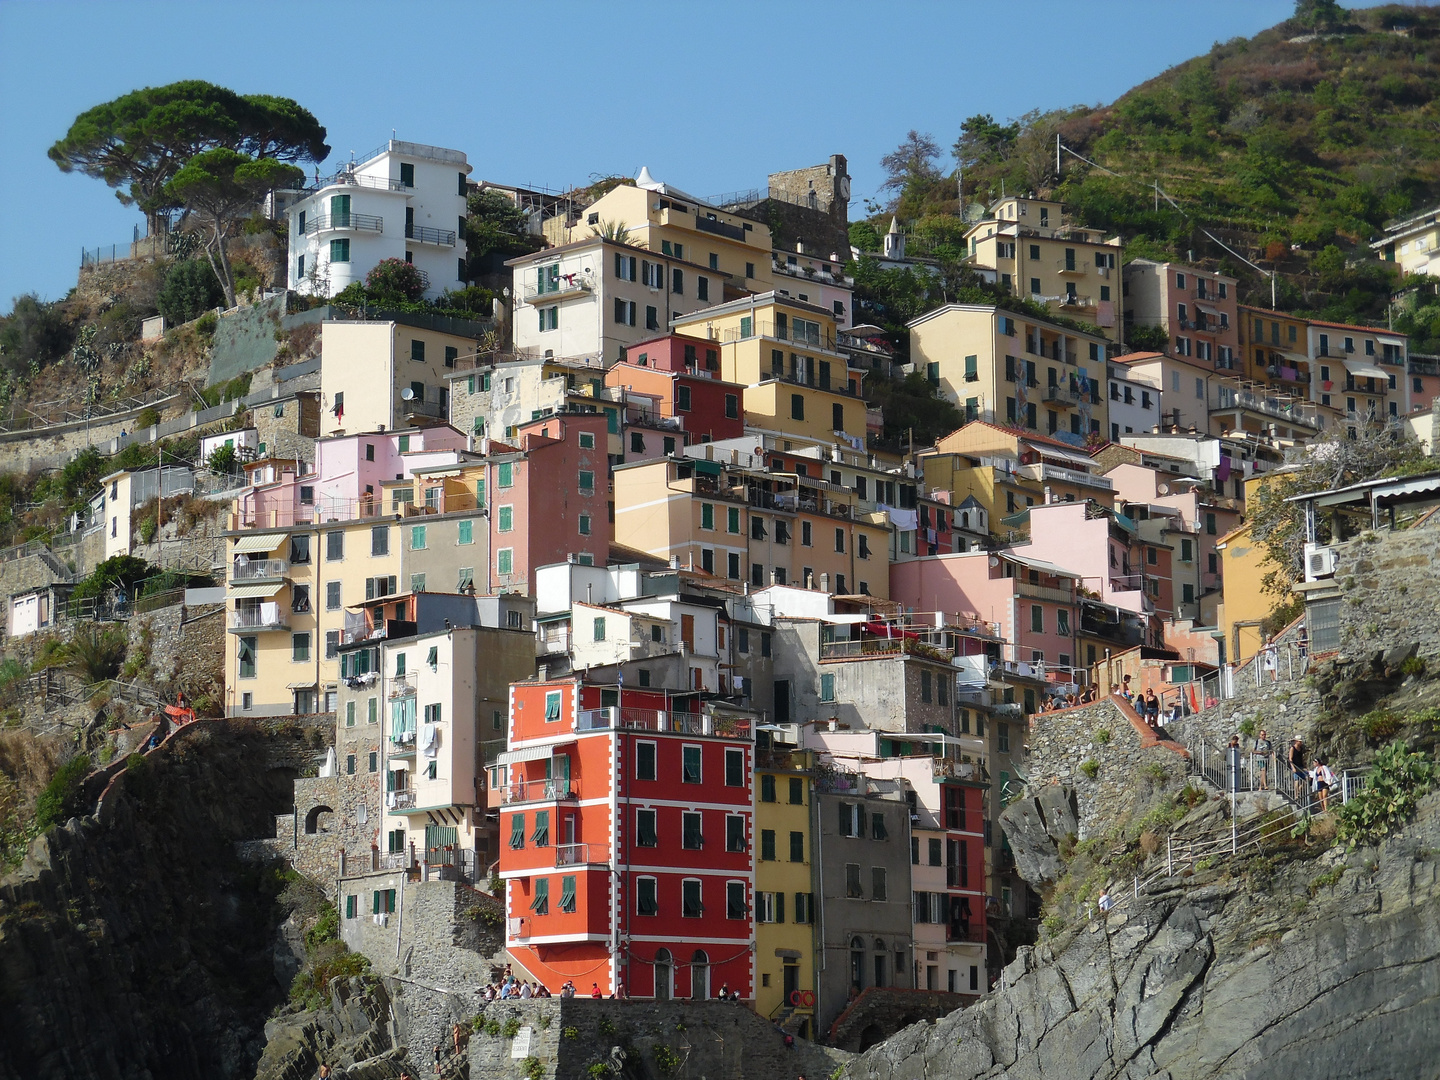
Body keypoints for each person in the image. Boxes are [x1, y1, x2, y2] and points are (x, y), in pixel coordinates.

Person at [1289, 737, 1309, 805]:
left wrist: (1304, 767)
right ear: (1296, 741)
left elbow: (1302, 759)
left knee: (1306, 777)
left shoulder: (1301, 749)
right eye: (1299, 741)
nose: (1300, 743)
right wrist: (1293, 767)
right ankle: (1296, 795)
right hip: (1295, 766)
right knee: (1296, 780)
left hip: (1300, 766)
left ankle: (1299, 791)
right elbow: (1290, 759)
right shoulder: (1292, 748)